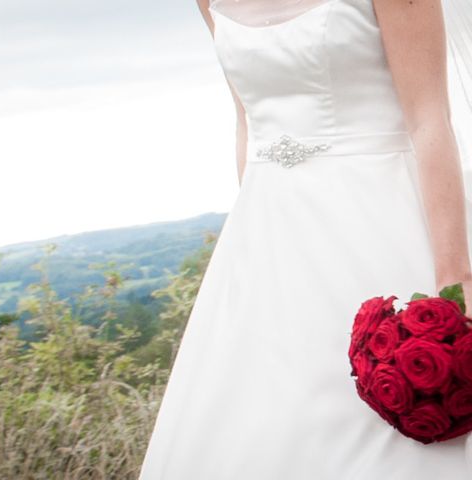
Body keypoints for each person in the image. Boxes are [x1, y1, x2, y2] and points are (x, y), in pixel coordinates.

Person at [137, 0, 472, 478]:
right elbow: (247, 124)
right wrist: (253, 251)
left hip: (380, 220)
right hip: (269, 236)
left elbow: (429, 119)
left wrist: (455, 282)